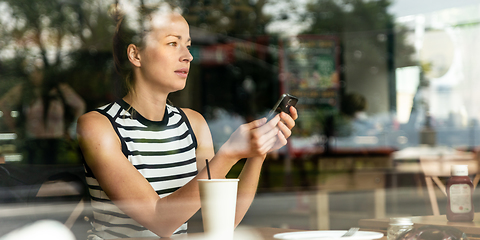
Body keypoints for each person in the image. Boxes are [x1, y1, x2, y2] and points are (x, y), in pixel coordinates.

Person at [76, 2, 297, 239]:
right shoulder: (99, 126)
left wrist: (256, 153)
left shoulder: (193, 124)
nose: (188, 56)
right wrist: (229, 154)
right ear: (135, 54)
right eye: (173, 43)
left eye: (188, 45)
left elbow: (223, 220)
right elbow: (159, 220)